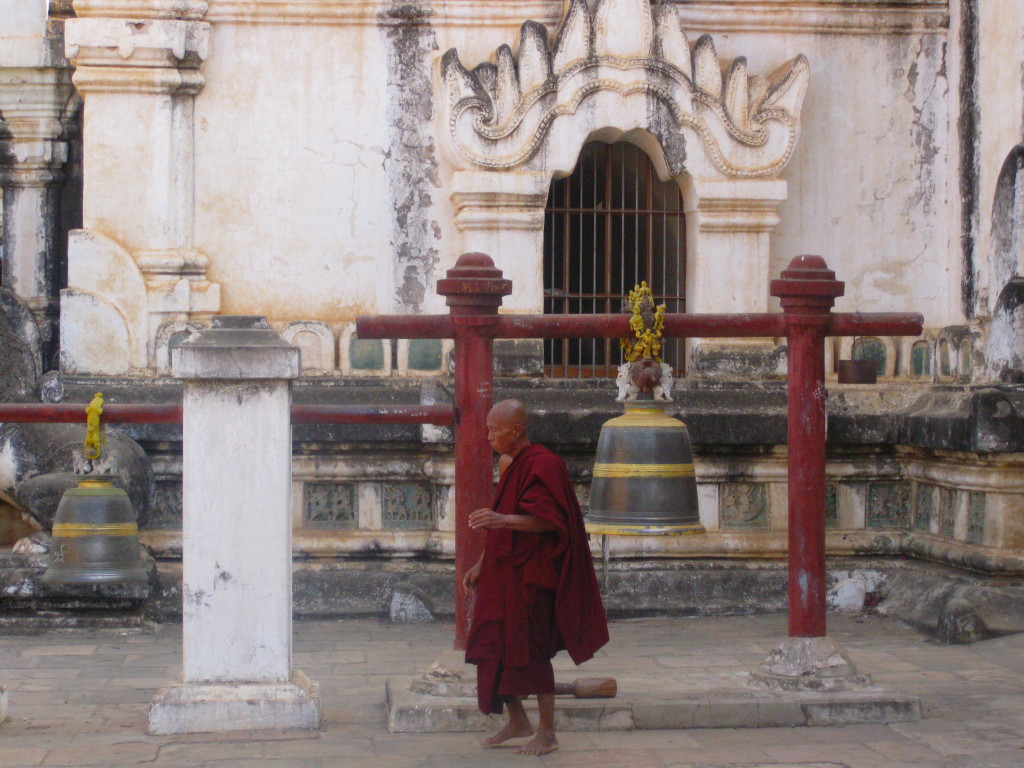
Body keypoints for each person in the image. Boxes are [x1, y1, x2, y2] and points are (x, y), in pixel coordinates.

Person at [463, 399, 608, 755]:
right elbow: (505, 516)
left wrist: (503, 521)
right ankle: (517, 720)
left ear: (516, 430)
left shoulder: (545, 464)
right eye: (487, 429)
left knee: (532, 650)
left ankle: (547, 732)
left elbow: (550, 521)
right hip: (502, 571)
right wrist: (482, 562)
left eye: (494, 429)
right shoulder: (510, 464)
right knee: (490, 644)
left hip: (532, 576)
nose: (488, 437)